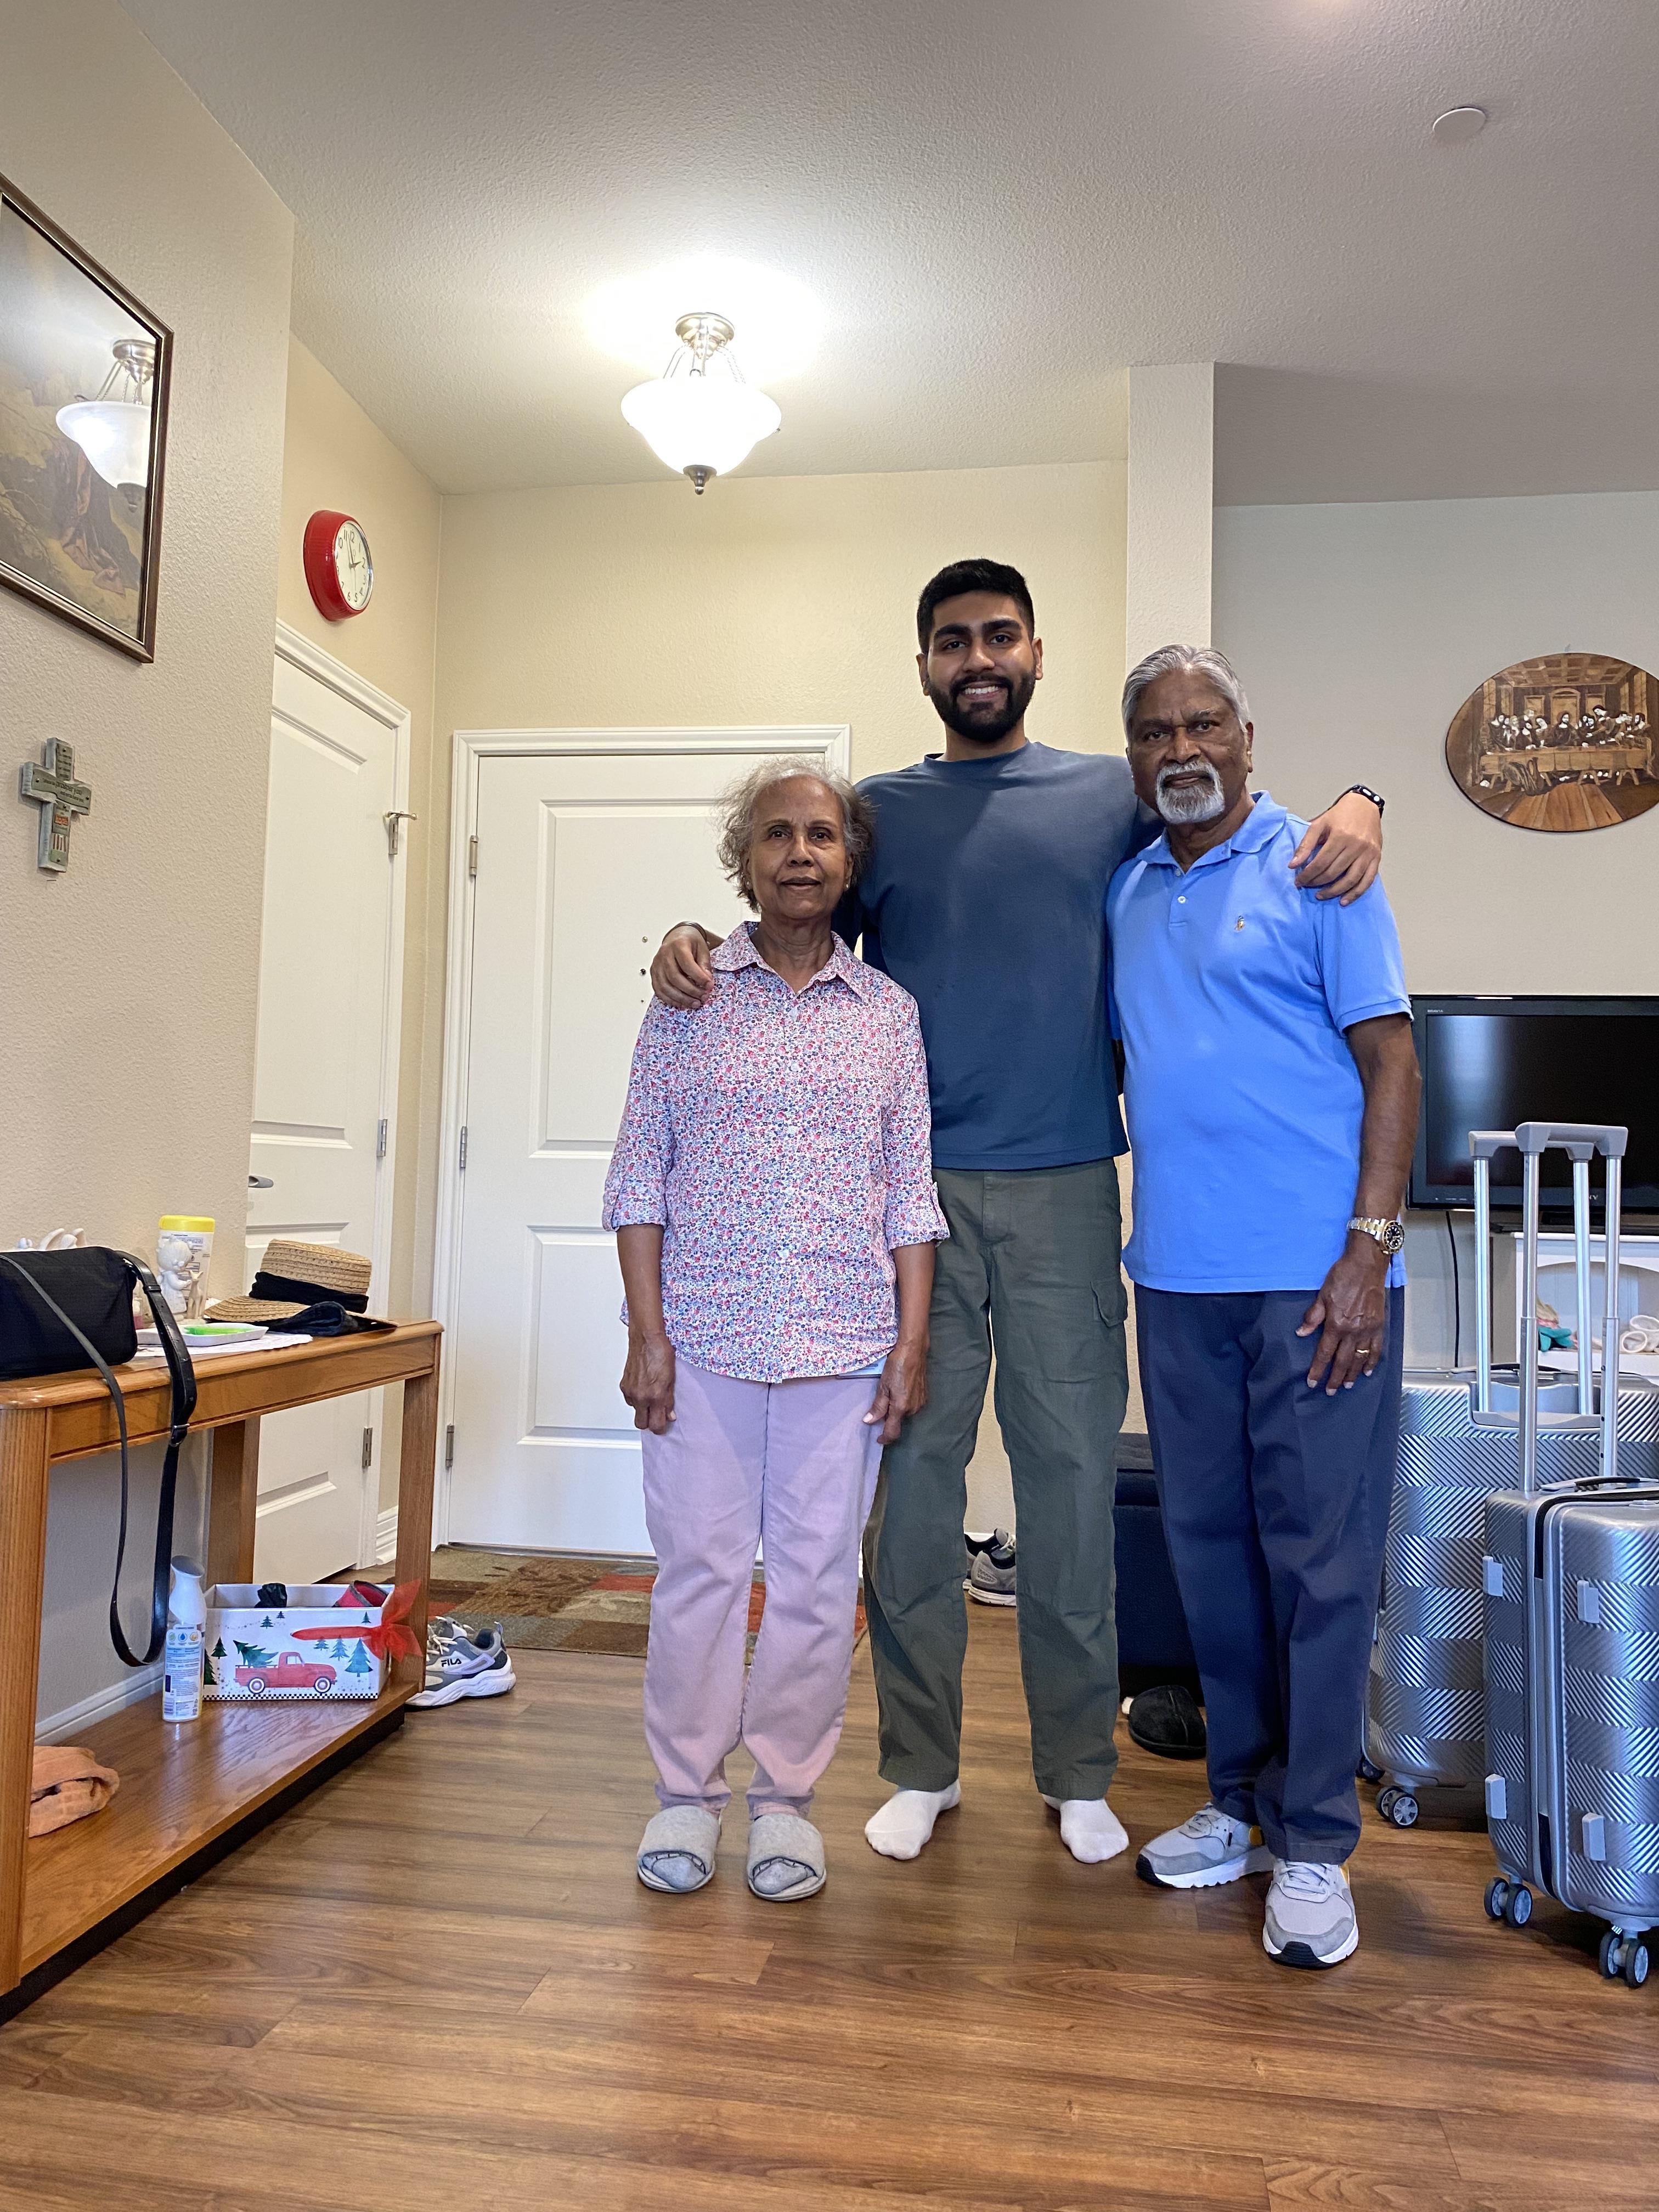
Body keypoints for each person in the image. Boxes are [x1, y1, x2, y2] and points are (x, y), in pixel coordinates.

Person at [650, 560, 1387, 1867]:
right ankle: (921, 1764)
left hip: (1060, 1191)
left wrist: (1364, 799)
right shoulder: (878, 813)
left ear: (1036, 653)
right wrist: (690, 942)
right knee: (917, 1496)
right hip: (911, 1205)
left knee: (1068, 1490)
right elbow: (794, 918)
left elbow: (1234, 815)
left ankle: (1077, 1767)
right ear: (923, 664)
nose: (976, 658)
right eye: (951, 641)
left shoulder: (1112, 795)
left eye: (999, 636)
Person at [1109, 644, 1418, 1970]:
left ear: (1247, 736)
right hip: (1175, 1283)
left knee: (1323, 1565)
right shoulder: (1123, 888)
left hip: (1317, 1286)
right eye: (1157, 730)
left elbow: (1392, 1060)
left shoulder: (1320, 866)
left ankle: (1316, 1843)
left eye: (1206, 723)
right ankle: (1235, 1805)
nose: (1182, 746)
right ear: (1134, 756)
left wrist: (1368, 1250)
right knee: (1213, 1566)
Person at [603, 757, 947, 1904]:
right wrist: (645, 1334)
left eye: (822, 836)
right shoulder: (688, 999)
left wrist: (910, 1342)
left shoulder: (888, 1017)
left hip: (843, 1346)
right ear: (743, 861)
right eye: (776, 835)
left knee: (811, 1583)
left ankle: (789, 1803)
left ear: (851, 863)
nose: (801, 853)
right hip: (700, 1342)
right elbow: (638, 1176)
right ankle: (684, 1799)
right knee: (698, 1574)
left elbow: (911, 1192)